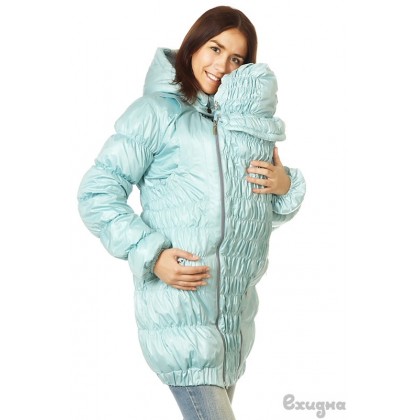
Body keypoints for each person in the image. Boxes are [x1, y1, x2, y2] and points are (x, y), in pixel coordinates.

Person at [77, 5, 306, 419]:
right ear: (193, 45)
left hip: (233, 321)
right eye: (215, 49)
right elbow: (97, 193)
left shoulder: (241, 126)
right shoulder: (155, 113)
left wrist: (283, 186)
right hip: (180, 311)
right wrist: (151, 254)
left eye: (236, 59)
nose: (222, 66)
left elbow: (250, 219)